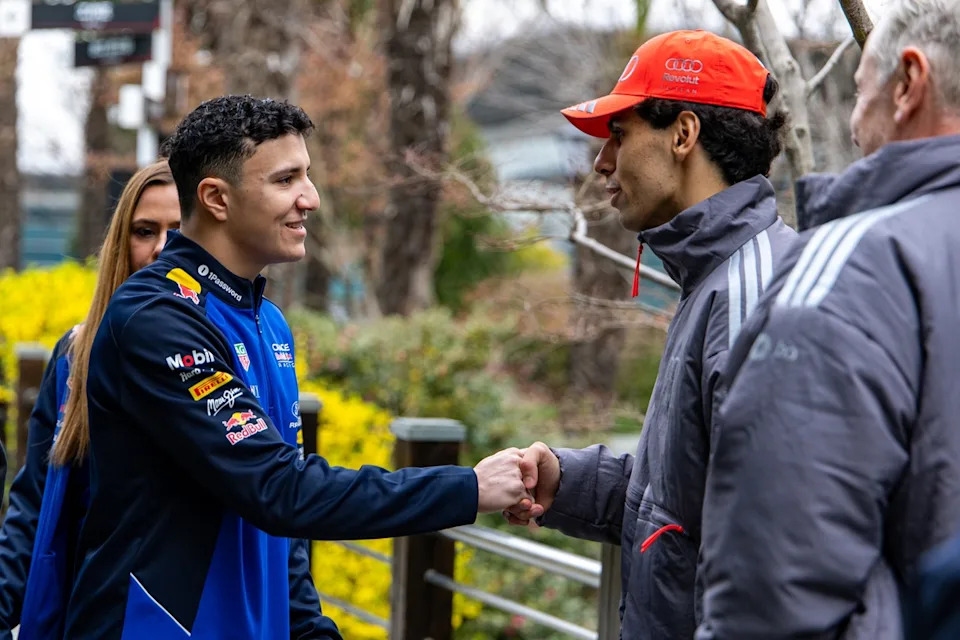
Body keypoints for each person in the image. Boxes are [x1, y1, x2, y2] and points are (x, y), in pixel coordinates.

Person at [63, 95, 532, 639]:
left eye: (306, 175)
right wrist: (468, 488)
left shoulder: (268, 322)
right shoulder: (156, 317)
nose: (310, 198)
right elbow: (278, 488)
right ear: (216, 198)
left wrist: (310, 630)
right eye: (286, 180)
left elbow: (283, 528)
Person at [504, 30, 796, 638]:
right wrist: (567, 481)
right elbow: (684, 503)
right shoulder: (714, 277)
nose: (602, 162)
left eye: (619, 134)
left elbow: (770, 558)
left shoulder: (751, 296)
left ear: (683, 135)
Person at [695, 0, 960, 637]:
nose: (852, 123)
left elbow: (773, 589)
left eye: (860, 92)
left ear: (909, 84)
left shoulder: (854, 266)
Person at [0, 161, 181, 639]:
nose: (161, 247)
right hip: (86, 619)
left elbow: (275, 513)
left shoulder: (240, 358)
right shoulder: (75, 357)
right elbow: (34, 504)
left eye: (179, 230)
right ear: (122, 242)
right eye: (145, 231)